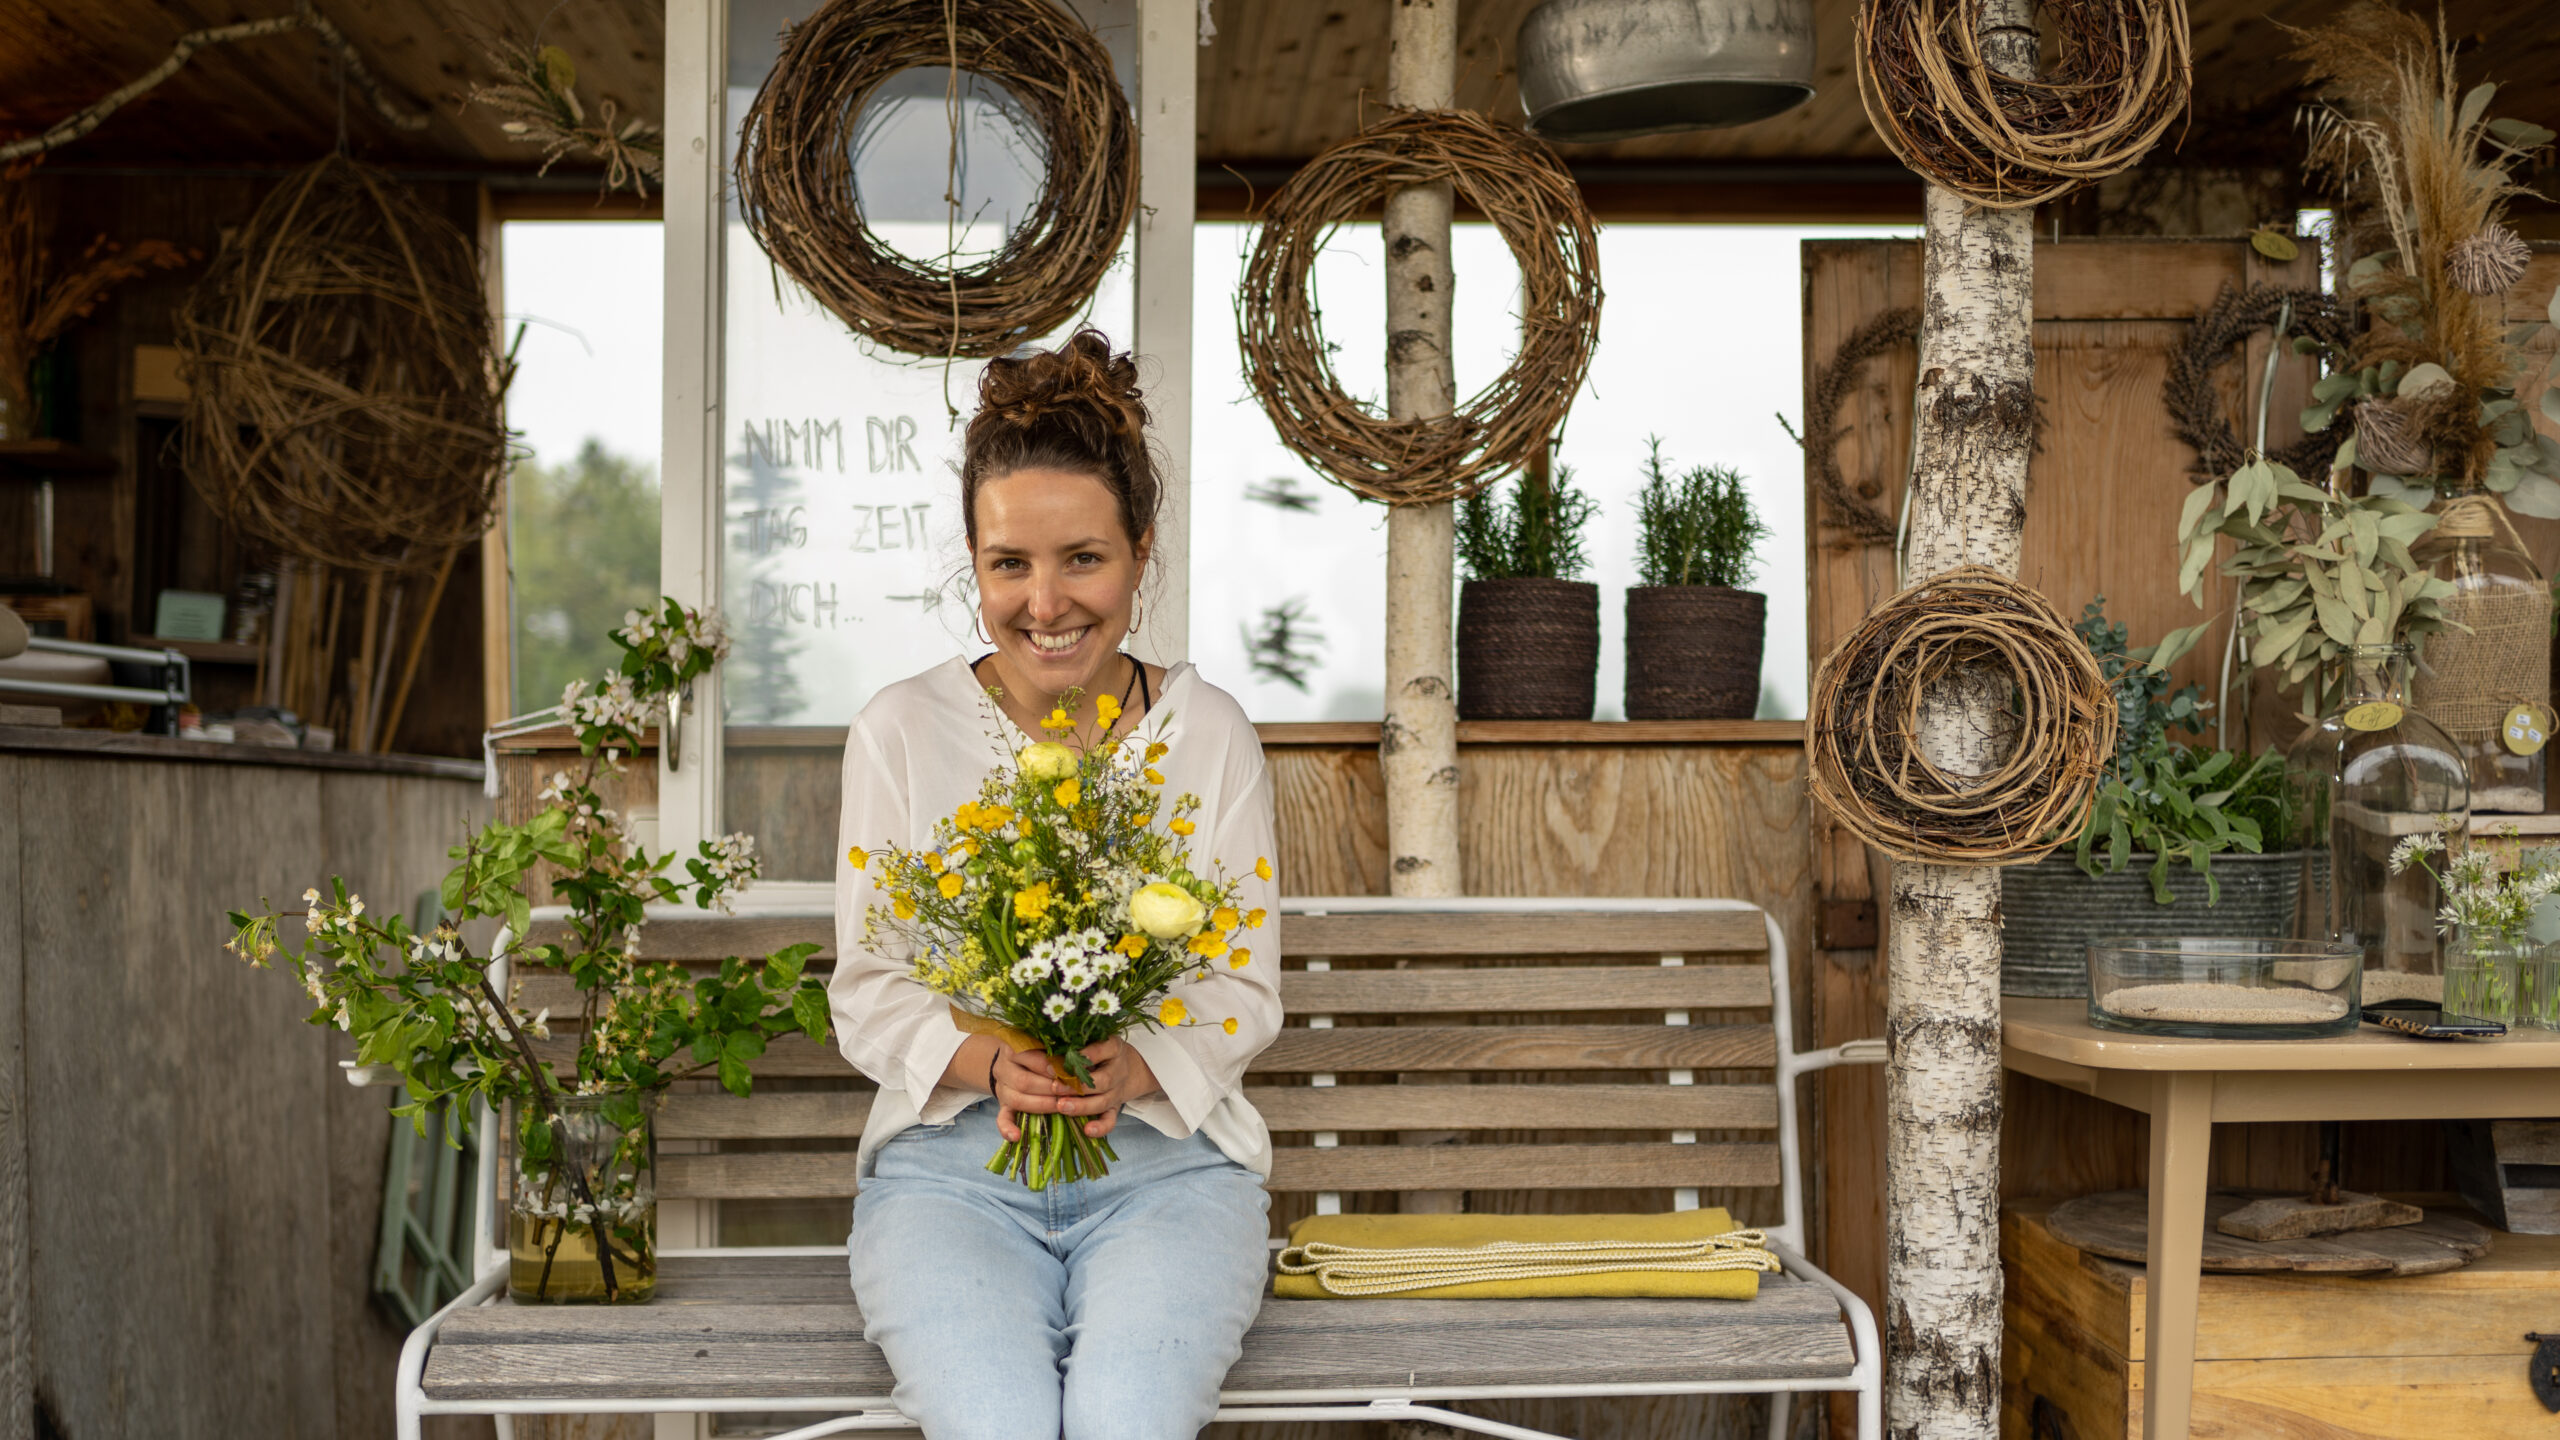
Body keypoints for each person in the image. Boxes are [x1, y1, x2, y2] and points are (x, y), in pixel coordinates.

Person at [829, 330, 1283, 1439]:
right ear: (974, 564)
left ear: (1141, 551)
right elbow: (867, 985)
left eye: (1083, 558)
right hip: (951, 1179)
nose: (1046, 603)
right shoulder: (901, 729)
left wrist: (1136, 1065)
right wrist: (991, 1062)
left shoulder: (1207, 734)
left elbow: (1241, 983)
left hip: (1169, 1175)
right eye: (1009, 565)